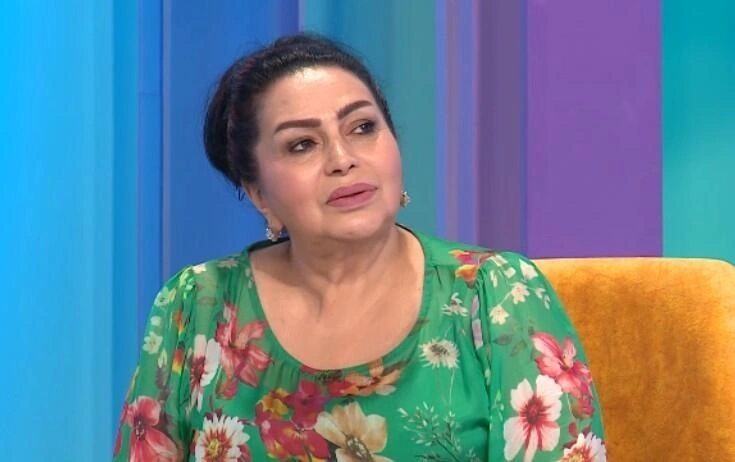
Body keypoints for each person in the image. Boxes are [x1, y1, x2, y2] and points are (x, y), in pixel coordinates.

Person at [113, 33, 606, 461]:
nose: (343, 158)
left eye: (363, 127)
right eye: (302, 144)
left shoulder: (496, 294)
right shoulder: (197, 304)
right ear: (259, 192)